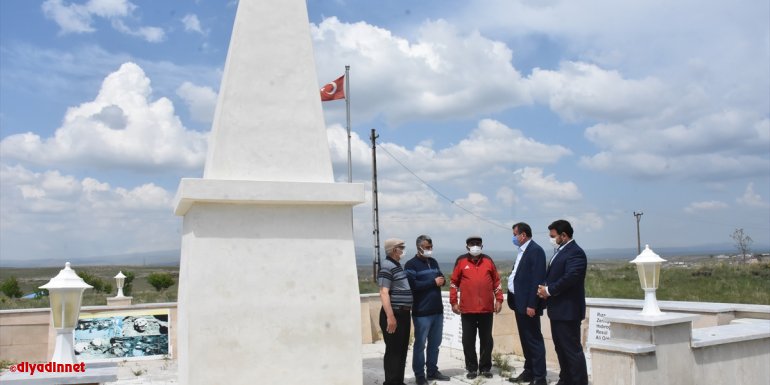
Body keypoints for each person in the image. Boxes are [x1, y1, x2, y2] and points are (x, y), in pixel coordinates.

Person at [537, 220, 589, 385]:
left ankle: (579, 381)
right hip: (557, 310)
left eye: (553, 236)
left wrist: (549, 290)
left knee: (572, 350)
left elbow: (571, 278)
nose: (551, 239)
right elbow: (554, 274)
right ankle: (565, 379)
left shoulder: (575, 252)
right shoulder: (560, 251)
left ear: (564, 235)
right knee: (561, 348)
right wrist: (545, 286)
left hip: (568, 310)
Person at [450, 235, 504, 379]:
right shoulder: (461, 261)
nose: (475, 246)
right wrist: (453, 302)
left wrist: (499, 300)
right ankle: (472, 368)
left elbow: (497, 282)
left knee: (486, 339)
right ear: (467, 246)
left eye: (478, 243)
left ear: (482, 246)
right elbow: (454, 283)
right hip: (467, 309)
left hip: (486, 309)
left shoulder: (488, 260)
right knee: (468, 340)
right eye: (472, 243)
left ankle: (485, 367)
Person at [405, 235, 451, 384]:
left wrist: (442, 280)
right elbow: (413, 286)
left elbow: (441, 277)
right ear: (419, 247)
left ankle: (432, 371)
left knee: (435, 344)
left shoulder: (433, 262)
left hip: (437, 310)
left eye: (431, 247)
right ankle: (419, 375)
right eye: (426, 247)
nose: (429, 250)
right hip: (422, 313)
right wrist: (433, 282)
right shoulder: (411, 265)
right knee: (420, 345)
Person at [507, 223, 548, 385]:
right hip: (519, 303)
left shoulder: (535, 251)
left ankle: (539, 377)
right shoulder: (522, 251)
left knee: (533, 340)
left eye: (514, 234)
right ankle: (529, 370)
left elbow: (537, 280)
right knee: (525, 339)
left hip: (528, 305)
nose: (513, 238)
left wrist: (532, 304)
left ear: (523, 235)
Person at [378, 238, 413, 385]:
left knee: (401, 350)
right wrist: (390, 317)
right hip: (394, 313)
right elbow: (383, 292)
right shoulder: (387, 266)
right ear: (393, 250)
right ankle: (391, 382)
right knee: (393, 351)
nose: (403, 249)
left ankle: (398, 381)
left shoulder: (396, 265)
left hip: (403, 313)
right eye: (401, 247)